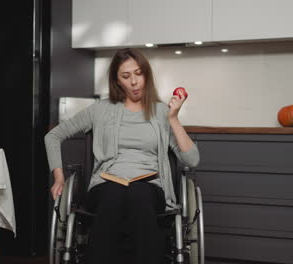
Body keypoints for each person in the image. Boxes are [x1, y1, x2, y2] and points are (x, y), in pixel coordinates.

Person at [45, 48, 199, 264]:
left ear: (146, 74)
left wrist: (173, 118)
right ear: (117, 81)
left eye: (138, 73)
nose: (134, 82)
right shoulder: (100, 110)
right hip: (106, 185)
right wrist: (59, 177)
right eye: (126, 76)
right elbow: (53, 136)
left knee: (137, 193)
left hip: (149, 186)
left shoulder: (162, 111)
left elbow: (192, 160)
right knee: (115, 193)